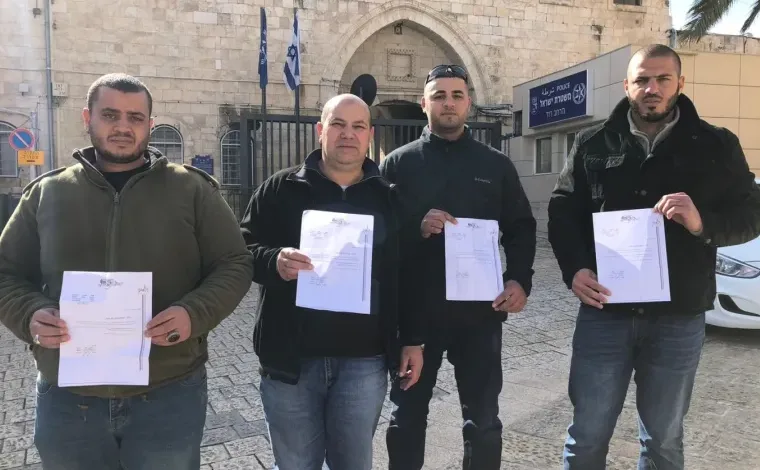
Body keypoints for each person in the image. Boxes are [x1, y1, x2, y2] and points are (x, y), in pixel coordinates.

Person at [0, 73, 253, 469]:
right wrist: (29, 314)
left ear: (150, 125)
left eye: (135, 118)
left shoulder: (192, 190)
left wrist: (193, 313)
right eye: (110, 115)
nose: (122, 127)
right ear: (88, 117)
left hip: (168, 393)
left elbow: (234, 263)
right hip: (69, 399)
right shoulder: (47, 193)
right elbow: (6, 273)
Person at [548, 44, 760, 470]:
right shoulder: (591, 142)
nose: (652, 88)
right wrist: (575, 269)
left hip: (678, 317)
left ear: (680, 83)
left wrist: (702, 223)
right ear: (627, 85)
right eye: (642, 79)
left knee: (663, 440)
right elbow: (563, 211)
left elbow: (751, 214)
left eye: (663, 79)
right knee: (586, 435)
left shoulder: (716, 144)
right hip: (605, 311)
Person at [239, 93, 425, 470]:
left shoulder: (390, 199)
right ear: (320, 131)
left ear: (370, 135)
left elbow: (409, 274)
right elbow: (240, 251)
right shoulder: (279, 189)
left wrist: (412, 339)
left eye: (358, 126)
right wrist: (274, 261)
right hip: (291, 360)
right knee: (294, 465)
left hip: (364, 361)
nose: (348, 134)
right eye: (338, 124)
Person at [379, 64, 537, 470]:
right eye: (439, 96)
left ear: (469, 103)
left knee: (483, 423)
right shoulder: (396, 165)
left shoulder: (495, 165)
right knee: (406, 418)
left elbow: (521, 226)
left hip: (479, 317)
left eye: (456, 96)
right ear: (424, 103)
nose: (448, 103)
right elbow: (378, 237)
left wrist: (519, 279)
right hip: (415, 320)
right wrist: (415, 229)